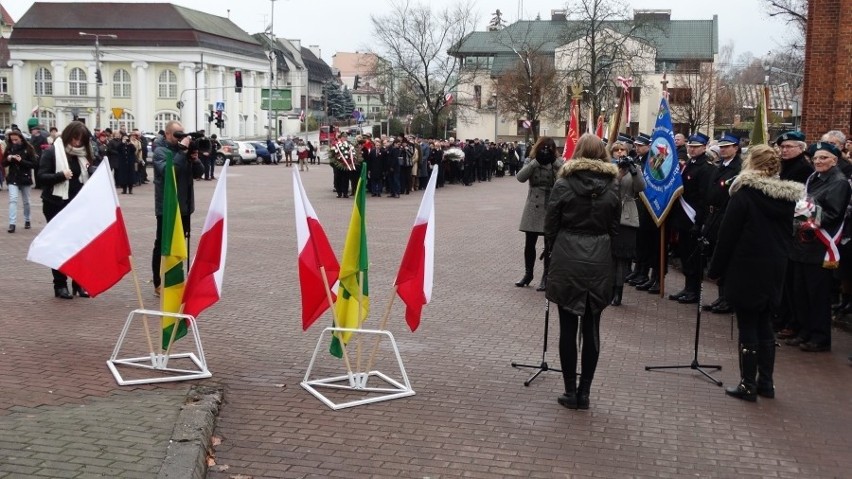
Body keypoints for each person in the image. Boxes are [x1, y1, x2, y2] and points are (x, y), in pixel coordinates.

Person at [707, 145, 803, 401]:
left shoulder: (745, 195)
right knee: (765, 324)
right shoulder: (786, 198)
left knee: (748, 323)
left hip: (747, 266)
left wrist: (715, 269)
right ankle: (766, 383)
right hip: (774, 266)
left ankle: (748, 384)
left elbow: (727, 236)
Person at [545, 133, 620, 410]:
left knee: (567, 326)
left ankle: (570, 389)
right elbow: (615, 227)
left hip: (567, 255)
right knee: (592, 327)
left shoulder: (563, 183)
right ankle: (584, 392)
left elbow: (550, 224)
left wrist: (550, 255)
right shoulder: (612, 186)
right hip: (599, 256)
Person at [786, 141, 851, 352]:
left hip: (819, 245)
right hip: (803, 244)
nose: (818, 161)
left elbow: (833, 213)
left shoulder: (839, 182)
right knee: (801, 292)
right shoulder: (814, 178)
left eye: (823, 158)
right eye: (815, 158)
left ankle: (819, 337)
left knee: (817, 294)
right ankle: (804, 331)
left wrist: (807, 216)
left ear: (835, 159)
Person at [36, 121, 97, 299]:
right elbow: (41, 177)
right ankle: (60, 285)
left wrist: (93, 171)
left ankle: (78, 283)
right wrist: (60, 176)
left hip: (78, 205)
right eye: (75, 139)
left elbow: (87, 174)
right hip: (55, 204)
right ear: (68, 135)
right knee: (59, 245)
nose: (77, 143)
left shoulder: (85, 154)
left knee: (79, 245)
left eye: (81, 140)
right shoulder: (52, 152)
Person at [151, 120, 204, 297]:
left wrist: (195, 160)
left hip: (185, 206)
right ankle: (159, 281)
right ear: (167, 134)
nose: (180, 137)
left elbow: (199, 173)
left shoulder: (184, 152)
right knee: (162, 245)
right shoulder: (160, 151)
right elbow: (169, 171)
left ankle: (178, 279)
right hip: (167, 208)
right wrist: (181, 152)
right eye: (176, 134)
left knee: (182, 243)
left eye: (182, 133)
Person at [667, 132, 716, 304]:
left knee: (694, 258)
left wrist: (700, 221)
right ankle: (687, 287)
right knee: (685, 254)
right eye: (690, 146)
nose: (692, 149)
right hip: (683, 217)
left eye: (696, 147)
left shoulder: (706, 168)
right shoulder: (688, 164)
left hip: (694, 217)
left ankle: (694, 290)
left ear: (704, 147)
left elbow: (704, 198)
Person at [516, 136, 565, 290]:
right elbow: (520, 177)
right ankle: (528, 274)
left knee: (549, 244)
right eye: (543, 147)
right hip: (533, 205)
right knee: (529, 243)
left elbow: (565, 175)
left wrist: (553, 161)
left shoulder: (557, 162)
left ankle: (546, 276)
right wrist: (536, 161)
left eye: (549, 148)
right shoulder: (531, 160)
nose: (545, 150)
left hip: (550, 204)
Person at [701, 132, 742, 314]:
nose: (724, 150)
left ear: (736, 148)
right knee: (715, 255)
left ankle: (728, 299)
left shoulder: (738, 168)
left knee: (726, 257)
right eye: (722, 147)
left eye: (728, 146)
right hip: (713, 215)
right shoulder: (718, 166)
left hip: (726, 215)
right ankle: (721, 296)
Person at [609, 141, 646, 306]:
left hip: (627, 216)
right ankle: (608, 288)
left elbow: (640, 187)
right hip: (610, 213)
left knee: (622, 257)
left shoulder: (635, 167)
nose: (619, 152)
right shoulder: (608, 167)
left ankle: (619, 291)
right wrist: (618, 172)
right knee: (609, 255)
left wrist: (633, 170)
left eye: (622, 149)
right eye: (616, 150)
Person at [2, 130, 37, 233]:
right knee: (13, 199)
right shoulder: (9, 148)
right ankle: (12, 223)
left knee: (26, 202)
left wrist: (21, 161)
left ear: (21, 138)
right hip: (13, 177)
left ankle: (27, 219)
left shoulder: (28, 148)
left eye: (16, 139)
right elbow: (3, 164)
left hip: (25, 177)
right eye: (12, 140)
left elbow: (34, 164)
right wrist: (8, 159)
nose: (14, 142)